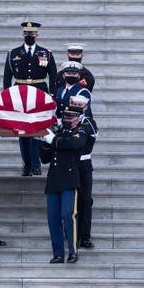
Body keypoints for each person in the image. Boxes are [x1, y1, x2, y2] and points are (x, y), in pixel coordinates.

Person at [3, 21, 57, 176]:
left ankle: (36, 163)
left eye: (32, 34)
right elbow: (7, 76)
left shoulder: (46, 53)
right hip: (20, 92)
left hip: (40, 91)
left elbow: (53, 75)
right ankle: (27, 164)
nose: (29, 36)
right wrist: (7, 97)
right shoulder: (13, 53)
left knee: (37, 129)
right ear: (23, 35)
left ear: (37, 35)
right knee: (22, 131)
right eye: (27, 33)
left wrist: (52, 94)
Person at [39, 104, 87, 264]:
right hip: (53, 180)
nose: (67, 119)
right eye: (65, 117)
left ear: (77, 119)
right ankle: (58, 253)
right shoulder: (57, 134)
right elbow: (44, 159)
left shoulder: (79, 132)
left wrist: (54, 139)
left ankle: (73, 251)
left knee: (68, 215)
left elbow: (73, 145)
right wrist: (46, 141)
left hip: (69, 179)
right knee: (53, 218)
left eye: (70, 117)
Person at [74, 97, 98, 249]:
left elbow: (85, 134)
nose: (77, 107)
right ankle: (71, 232)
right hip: (69, 165)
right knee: (71, 201)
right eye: (74, 104)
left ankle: (84, 236)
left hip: (84, 165)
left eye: (80, 105)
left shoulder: (89, 122)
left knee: (85, 200)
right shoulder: (66, 120)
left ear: (85, 107)